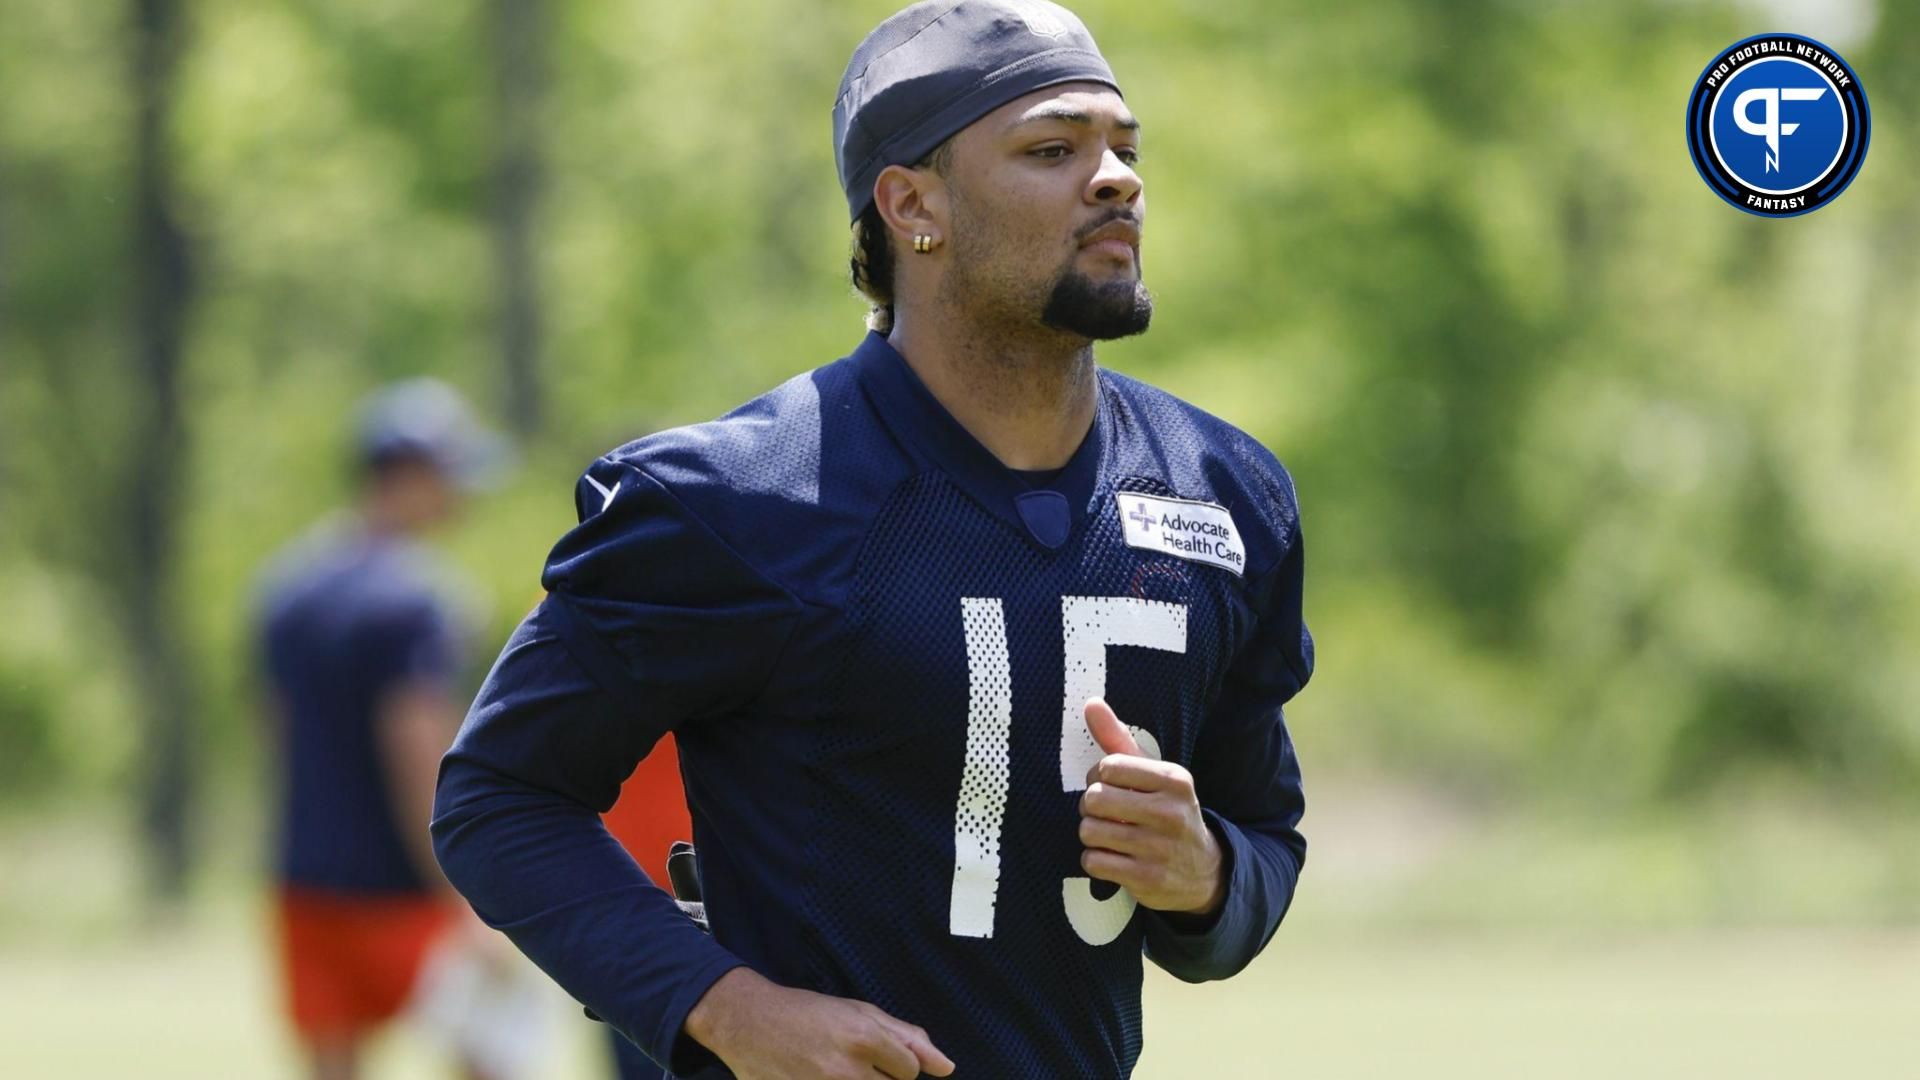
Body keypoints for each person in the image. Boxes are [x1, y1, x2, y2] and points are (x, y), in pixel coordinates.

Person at [432, 2, 1314, 1077]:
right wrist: (724, 1004)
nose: (1117, 179)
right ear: (911, 205)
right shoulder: (734, 496)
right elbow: (499, 799)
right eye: (1051, 149)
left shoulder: (1224, 495)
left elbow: (1263, 835)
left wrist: (1209, 872)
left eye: (1123, 149)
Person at [257, 379, 509, 1080]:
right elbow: (418, 750)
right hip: (406, 897)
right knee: (492, 1059)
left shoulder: (285, 590)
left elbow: (275, 735)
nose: (463, 494)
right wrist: (463, 896)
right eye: (452, 476)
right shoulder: (419, 599)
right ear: (409, 476)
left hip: (305, 882)